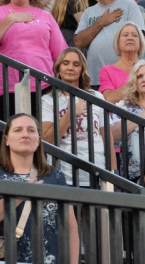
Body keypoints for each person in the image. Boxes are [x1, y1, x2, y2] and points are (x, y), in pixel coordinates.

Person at [0, 113, 80, 264]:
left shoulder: (55, 176)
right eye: (18, 130)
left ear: (39, 140)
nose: (25, 135)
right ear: (6, 140)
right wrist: (20, 195)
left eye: (31, 130)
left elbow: (70, 227)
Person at [0, 0, 67, 118]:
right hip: (6, 88)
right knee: (9, 136)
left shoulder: (46, 16)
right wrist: (9, 20)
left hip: (43, 86)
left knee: (40, 136)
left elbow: (60, 54)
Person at [40, 48, 110, 186]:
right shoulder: (48, 100)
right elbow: (47, 140)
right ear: (58, 67)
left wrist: (111, 173)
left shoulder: (96, 97)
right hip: (63, 174)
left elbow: (106, 137)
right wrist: (70, 114)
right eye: (65, 63)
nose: (70, 68)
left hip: (95, 171)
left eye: (76, 64)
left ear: (82, 69)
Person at [75, 0, 145, 88]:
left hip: (125, 77)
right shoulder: (88, 12)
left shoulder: (129, 5)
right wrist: (101, 22)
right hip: (95, 78)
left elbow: (139, 39)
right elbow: (78, 42)